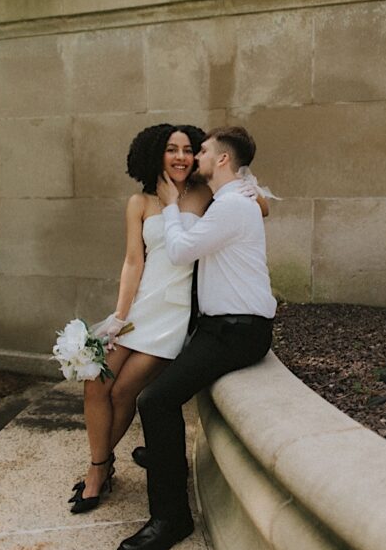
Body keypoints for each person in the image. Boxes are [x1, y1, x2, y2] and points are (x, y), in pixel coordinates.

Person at [68, 124, 267, 513]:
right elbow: (132, 260)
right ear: (156, 154)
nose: (181, 156)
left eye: (189, 149)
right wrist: (118, 316)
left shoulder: (207, 194)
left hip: (174, 315)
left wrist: (250, 188)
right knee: (96, 383)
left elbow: (259, 208)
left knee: (126, 390)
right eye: (172, 149)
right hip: (140, 307)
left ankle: (99, 470)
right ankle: (100, 464)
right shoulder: (140, 202)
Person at [116, 125, 276, 550]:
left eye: (202, 150)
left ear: (221, 160)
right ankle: (163, 455)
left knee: (156, 401)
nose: (196, 156)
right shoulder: (230, 199)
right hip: (217, 326)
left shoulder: (231, 207)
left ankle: (171, 519)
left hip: (238, 331)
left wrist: (169, 207)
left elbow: (181, 250)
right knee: (163, 380)